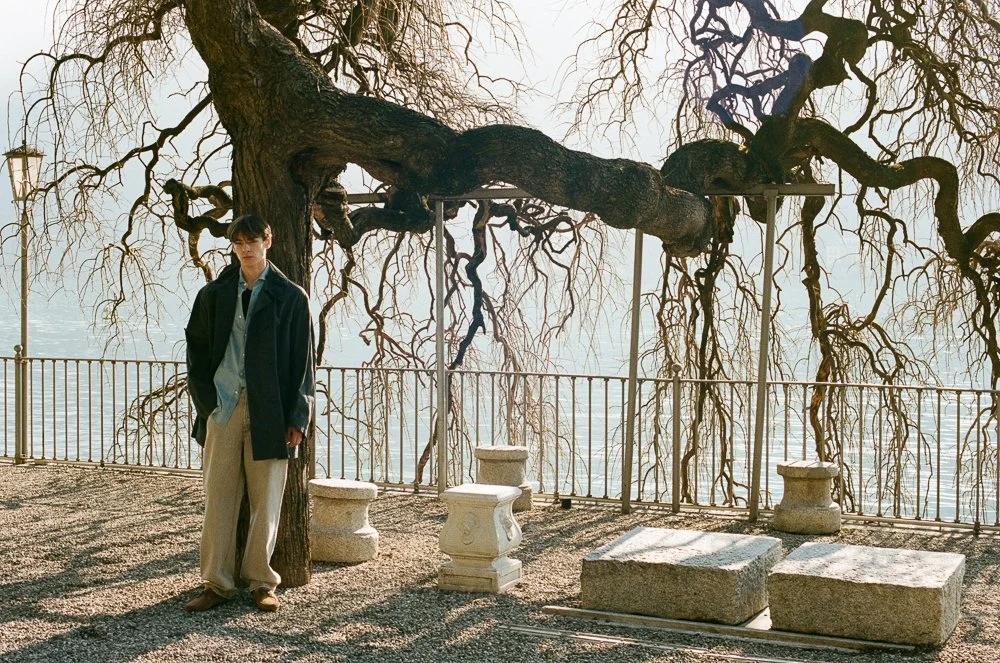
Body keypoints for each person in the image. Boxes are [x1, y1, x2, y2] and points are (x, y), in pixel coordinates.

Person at [183, 214, 315, 613]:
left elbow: (303, 362)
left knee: (266, 500)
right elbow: (196, 353)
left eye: (252, 240)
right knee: (219, 501)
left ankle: (261, 582)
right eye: (237, 242)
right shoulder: (214, 294)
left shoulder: (291, 297)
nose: (245, 248)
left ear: (268, 240)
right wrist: (208, 405)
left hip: (270, 412)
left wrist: (298, 417)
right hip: (222, 410)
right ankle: (216, 584)